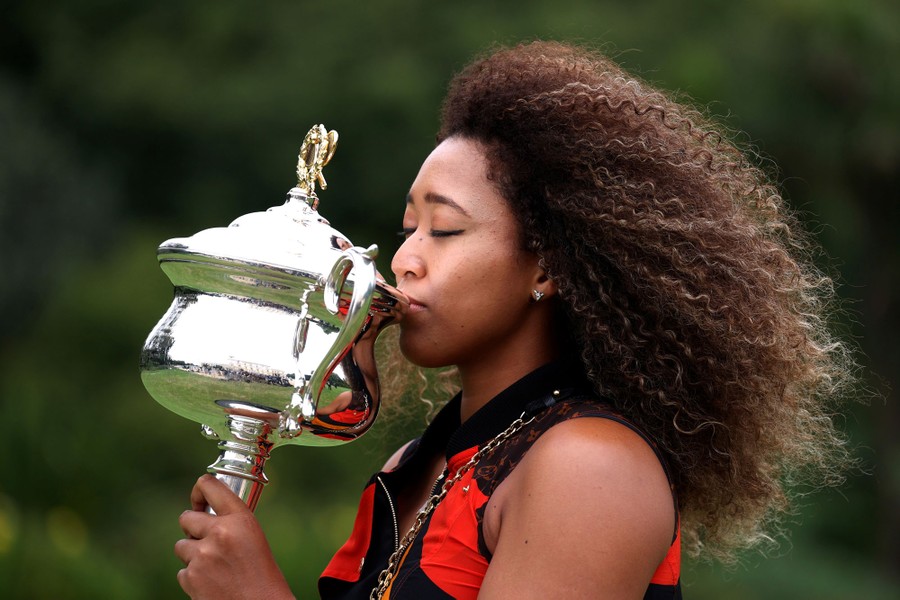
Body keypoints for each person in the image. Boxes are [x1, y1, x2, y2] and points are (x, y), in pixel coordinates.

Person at [174, 41, 856, 599]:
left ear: (547, 267)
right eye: (408, 229)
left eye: (444, 230)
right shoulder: (418, 466)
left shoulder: (591, 468)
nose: (405, 260)